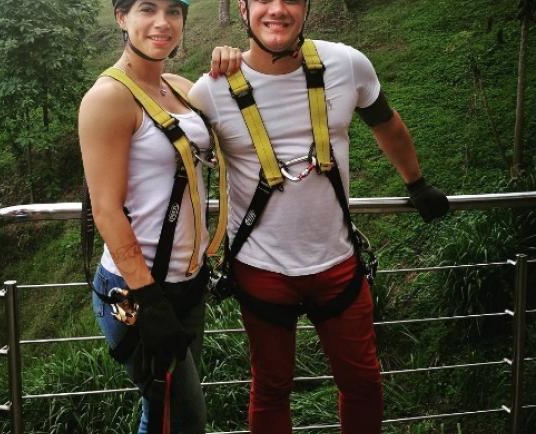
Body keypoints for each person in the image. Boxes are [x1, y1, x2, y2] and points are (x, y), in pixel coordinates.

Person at [188, 1, 449, 433]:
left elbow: (386, 123)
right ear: (242, 9)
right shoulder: (211, 90)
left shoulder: (346, 64)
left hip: (337, 260)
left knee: (362, 381)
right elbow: (171, 144)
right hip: (260, 266)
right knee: (271, 387)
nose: (277, 9)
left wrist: (416, 182)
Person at [78, 1, 240, 433]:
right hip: (137, 292)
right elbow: (105, 209)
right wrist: (150, 300)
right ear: (121, 17)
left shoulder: (179, 86)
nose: (162, 23)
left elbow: (240, 117)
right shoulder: (109, 97)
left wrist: (232, 63)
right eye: (147, 8)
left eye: (174, 10)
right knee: (186, 418)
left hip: (189, 283)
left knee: (162, 411)